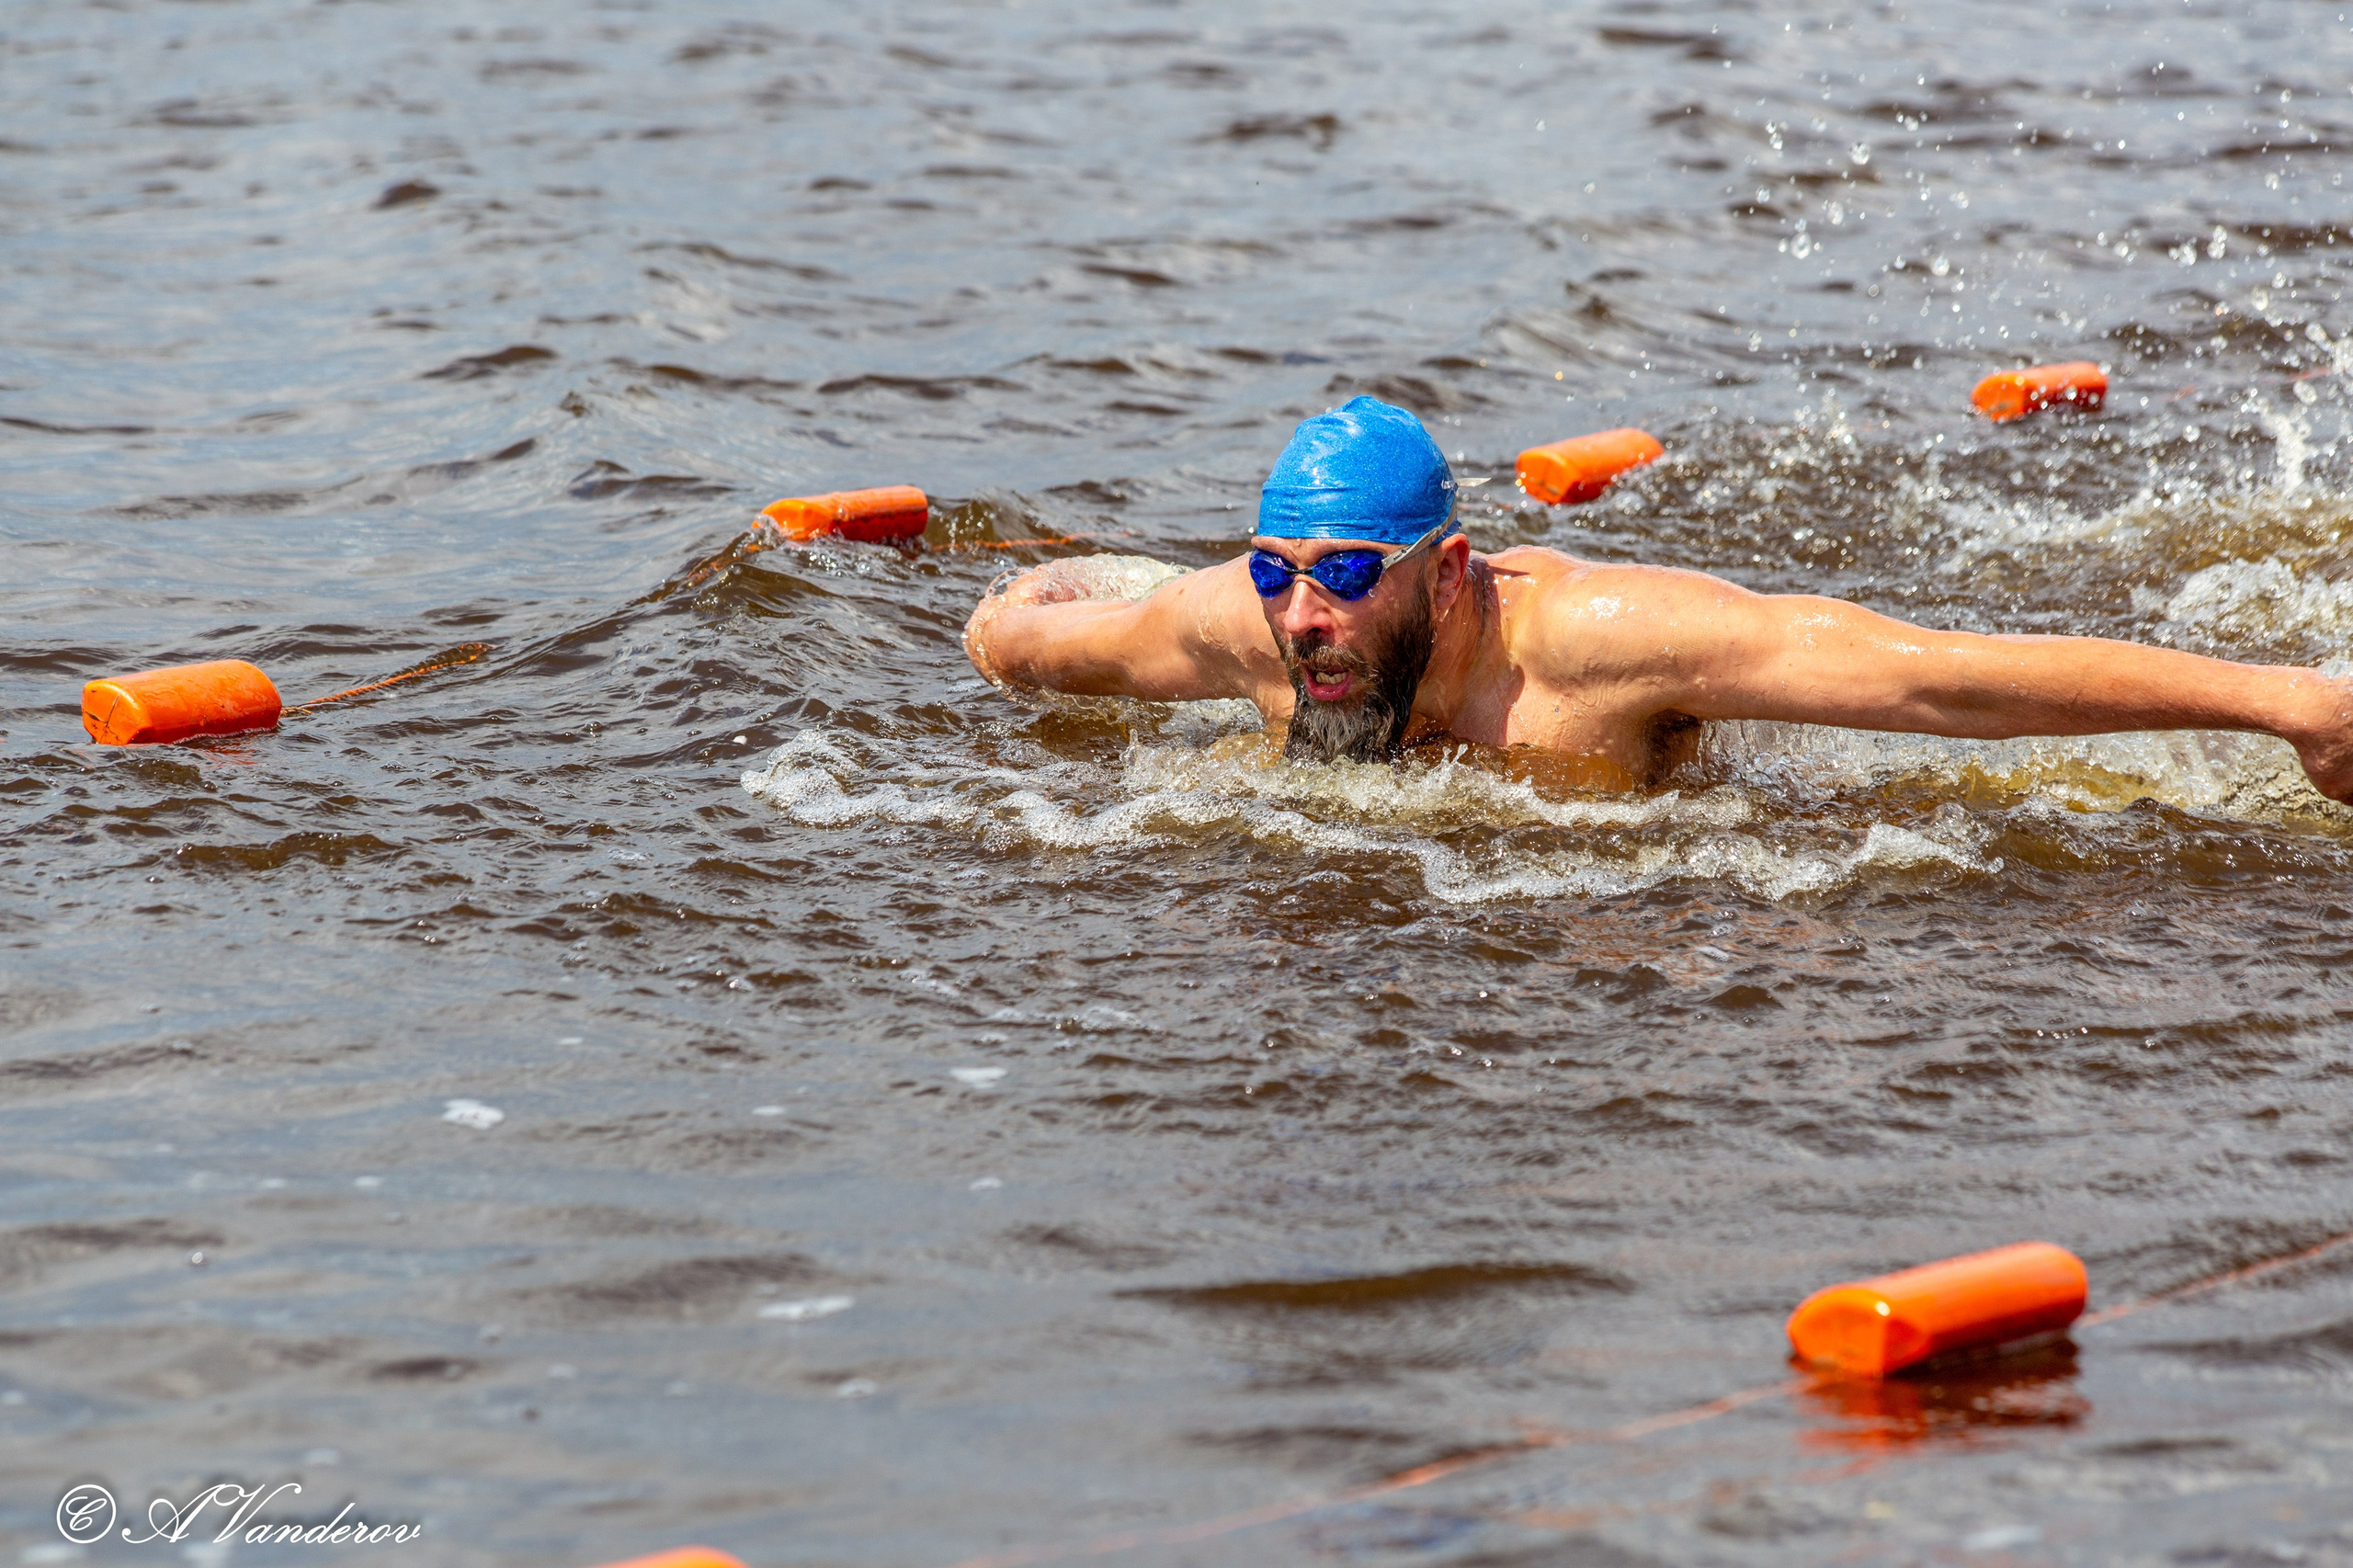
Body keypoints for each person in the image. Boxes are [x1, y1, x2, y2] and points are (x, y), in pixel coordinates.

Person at [961, 395, 2353, 801]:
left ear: (1447, 576)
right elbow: (1024, 646)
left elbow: (1935, 677)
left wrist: (2286, 704)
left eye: (1338, 583)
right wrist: (1027, 604)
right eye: (1275, 575)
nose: (1302, 620)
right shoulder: (1250, 628)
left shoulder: (1599, 649)